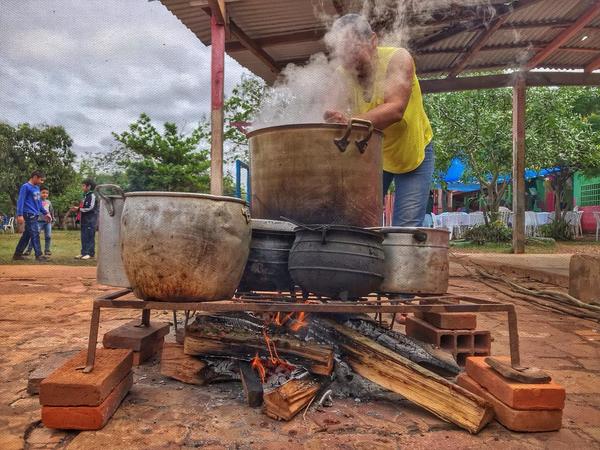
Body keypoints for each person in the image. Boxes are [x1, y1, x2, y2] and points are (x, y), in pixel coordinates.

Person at [323, 14, 434, 226]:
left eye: (354, 50)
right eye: (342, 53)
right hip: (374, 154)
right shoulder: (342, 73)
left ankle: (401, 259)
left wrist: (348, 122)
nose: (349, 61)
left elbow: (395, 110)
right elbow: (329, 111)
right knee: (360, 220)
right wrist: (331, 118)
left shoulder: (398, 59)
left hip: (412, 153)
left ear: (373, 41)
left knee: (405, 228)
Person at [12, 170, 52, 262]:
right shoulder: (25, 187)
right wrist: (20, 215)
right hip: (28, 214)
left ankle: (17, 255)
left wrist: (46, 213)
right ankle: (39, 255)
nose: (42, 182)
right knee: (35, 233)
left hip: (35, 214)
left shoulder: (37, 188)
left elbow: (39, 203)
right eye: (41, 180)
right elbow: (20, 201)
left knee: (27, 235)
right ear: (34, 177)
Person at [71, 179, 99, 260]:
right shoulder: (85, 195)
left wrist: (79, 209)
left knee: (90, 236)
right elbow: (83, 207)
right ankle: (84, 252)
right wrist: (78, 209)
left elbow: (91, 207)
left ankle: (90, 253)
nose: (82, 187)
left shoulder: (92, 195)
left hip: (91, 220)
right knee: (84, 236)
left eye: (83, 185)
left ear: (89, 186)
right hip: (84, 220)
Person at [23, 186, 54, 256]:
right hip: (38, 221)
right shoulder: (36, 201)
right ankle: (28, 250)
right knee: (34, 236)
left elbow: (51, 211)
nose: (45, 194)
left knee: (48, 236)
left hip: (47, 222)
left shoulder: (49, 202)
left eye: (47, 193)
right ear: (39, 193)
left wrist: (52, 219)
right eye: (43, 193)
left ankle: (47, 250)